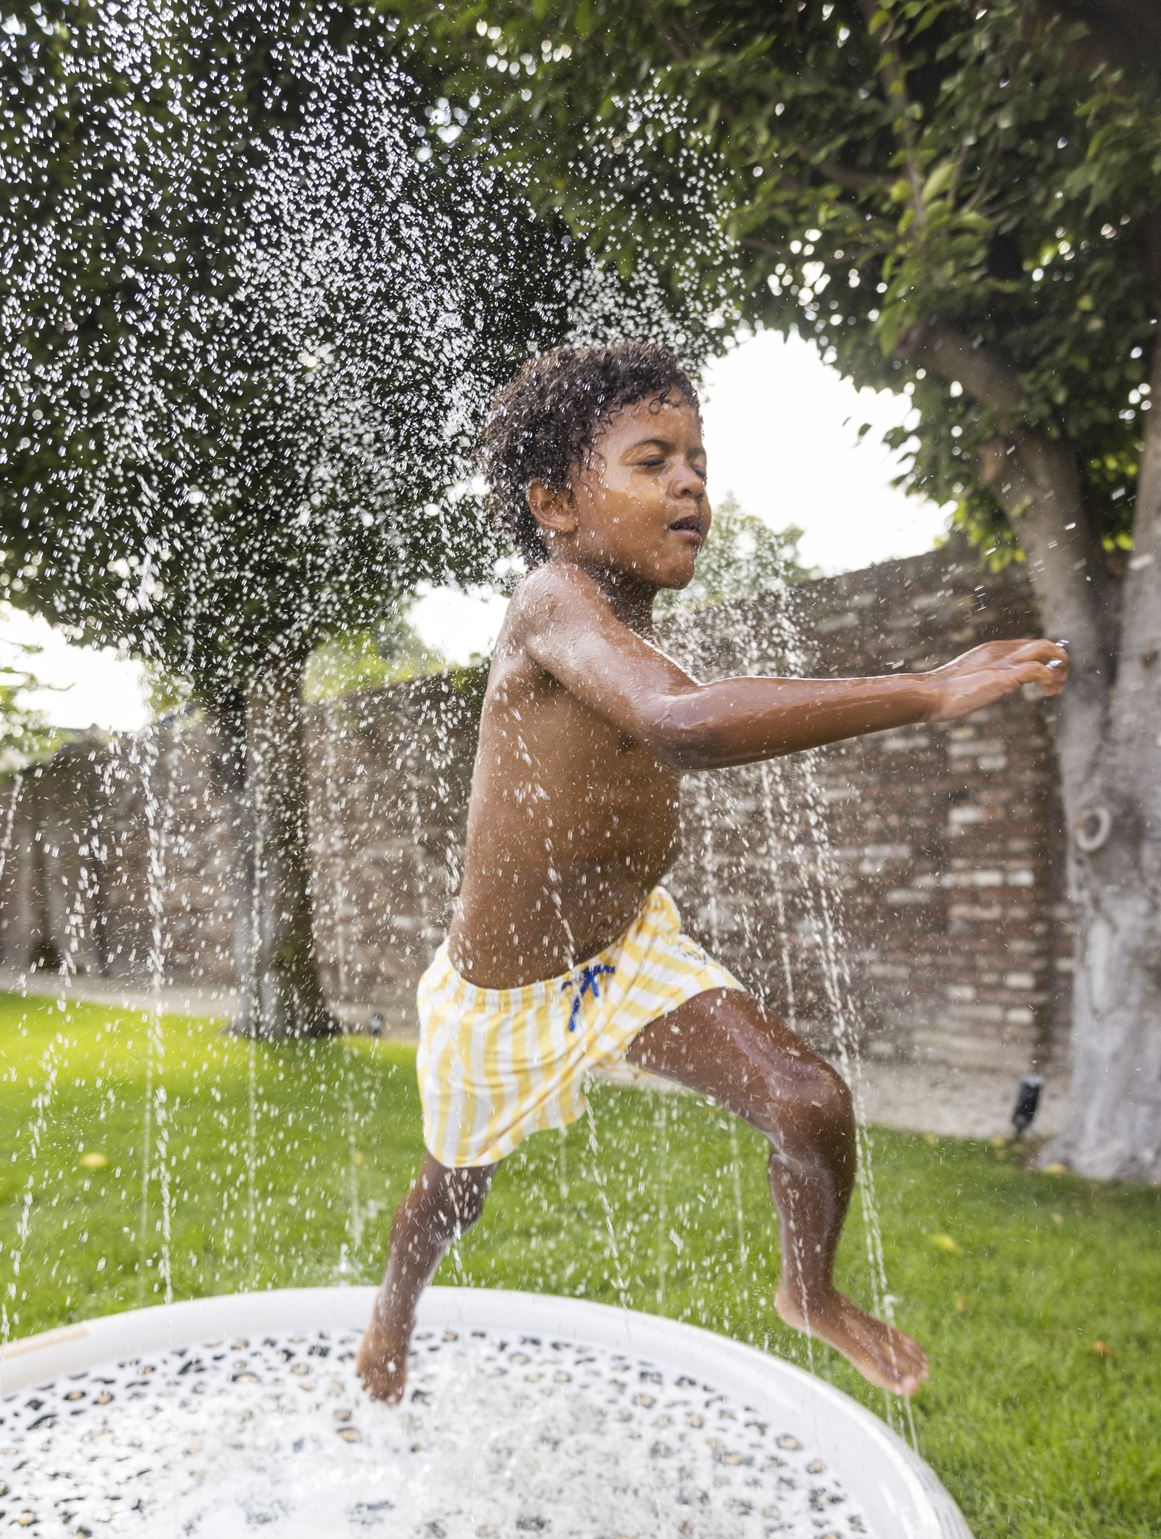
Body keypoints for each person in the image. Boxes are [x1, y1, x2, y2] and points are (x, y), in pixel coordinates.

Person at [356, 340, 1068, 1404]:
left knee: (809, 1101)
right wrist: (923, 690)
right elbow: (682, 725)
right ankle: (389, 1317)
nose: (690, 481)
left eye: (698, 459)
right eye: (653, 461)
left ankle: (809, 1292)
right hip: (499, 1003)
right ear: (555, 501)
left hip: (629, 957)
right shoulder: (550, 602)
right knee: (454, 1191)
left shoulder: (630, 623)